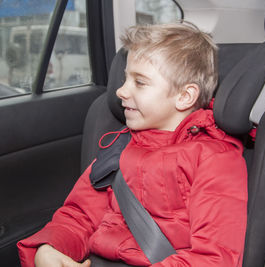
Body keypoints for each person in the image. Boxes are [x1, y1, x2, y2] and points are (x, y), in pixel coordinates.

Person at [17, 22, 247, 267]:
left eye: (140, 82)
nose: (121, 91)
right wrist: (50, 247)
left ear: (184, 96)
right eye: (126, 78)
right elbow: (80, 215)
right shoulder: (119, 146)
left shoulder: (214, 159)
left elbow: (213, 259)